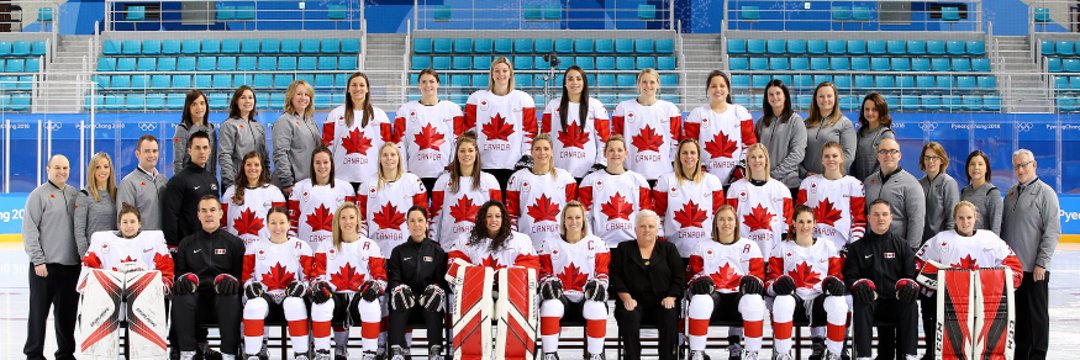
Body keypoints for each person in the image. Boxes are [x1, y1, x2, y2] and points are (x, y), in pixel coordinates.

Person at [915, 201, 1024, 360]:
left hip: (985, 306)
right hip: (950, 306)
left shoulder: (990, 239)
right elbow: (918, 264)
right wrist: (936, 287)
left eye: (969, 218)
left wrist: (997, 288)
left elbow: (1015, 268)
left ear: (975, 218)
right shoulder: (941, 240)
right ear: (954, 219)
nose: (965, 222)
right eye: (961, 218)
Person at [79, 204, 174, 358]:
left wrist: (160, 286)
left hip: (144, 302)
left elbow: (167, 272)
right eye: (125, 222)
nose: (129, 226)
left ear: (140, 223)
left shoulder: (154, 241)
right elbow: (87, 273)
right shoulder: (101, 241)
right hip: (109, 300)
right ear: (119, 224)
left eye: (132, 221)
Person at [240, 206, 324, 360]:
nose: (277, 227)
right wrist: (250, 286)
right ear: (266, 224)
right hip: (265, 297)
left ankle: (301, 353)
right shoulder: (254, 247)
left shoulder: (301, 247)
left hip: (291, 297)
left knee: (294, 304)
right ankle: (252, 354)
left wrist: (303, 287)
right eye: (273, 223)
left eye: (282, 222)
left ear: (289, 224)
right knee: (253, 305)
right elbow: (247, 278)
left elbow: (308, 279)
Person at [685, 205, 766, 360]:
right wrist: (698, 281)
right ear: (715, 223)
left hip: (738, 301)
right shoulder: (702, 246)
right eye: (721, 219)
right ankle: (697, 352)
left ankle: (751, 353)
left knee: (754, 300)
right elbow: (691, 276)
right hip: (713, 300)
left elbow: (759, 276)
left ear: (736, 222)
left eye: (730, 219)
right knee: (699, 299)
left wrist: (754, 281)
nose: (726, 223)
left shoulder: (750, 246)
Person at [767, 205, 848, 360]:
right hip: (795, 300)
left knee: (838, 302)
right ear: (793, 223)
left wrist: (835, 284)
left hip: (819, 299)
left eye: (809, 222)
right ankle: (782, 353)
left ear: (815, 223)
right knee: (782, 301)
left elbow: (837, 276)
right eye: (801, 222)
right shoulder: (781, 248)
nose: (805, 226)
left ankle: (835, 353)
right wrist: (777, 285)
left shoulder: (828, 246)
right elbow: (769, 283)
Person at [842, 199, 919, 360]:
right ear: (869, 218)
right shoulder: (856, 248)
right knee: (862, 301)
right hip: (870, 303)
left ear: (891, 218)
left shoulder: (903, 246)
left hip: (895, 303)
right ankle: (864, 356)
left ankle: (909, 355)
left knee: (911, 303)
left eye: (884, 214)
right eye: (876, 215)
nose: (880, 218)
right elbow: (850, 276)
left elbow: (910, 275)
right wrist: (857, 285)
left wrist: (909, 286)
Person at [171, 195, 245, 360]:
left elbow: (241, 277)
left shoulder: (235, 243)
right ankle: (187, 353)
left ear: (221, 213)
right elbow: (180, 275)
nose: (208, 214)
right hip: (196, 303)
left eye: (212, 210)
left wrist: (233, 282)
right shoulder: (186, 243)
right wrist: (184, 281)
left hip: (224, 303)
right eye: (204, 211)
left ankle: (229, 354)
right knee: (181, 295)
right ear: (198, 215)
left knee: (230, 295)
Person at [1002, 149, 1059, 360]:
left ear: (1034, 165)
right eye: (1016, 166)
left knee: (1036, 318)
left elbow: (1052, 231)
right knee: (1019, 318)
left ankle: (1037, 355)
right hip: (1013, 271)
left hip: (1035, 270)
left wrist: (1042, 263)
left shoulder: (1046, 193)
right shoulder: (1011, 194)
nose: (1020, 170)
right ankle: (1021, 354)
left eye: (1024, 165)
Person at [312, 202, 387, 360]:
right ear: (337, 221)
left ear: (358, 221)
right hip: (334, 297)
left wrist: (376, 287)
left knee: (371, 304)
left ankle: (370, 353)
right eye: (343, 218)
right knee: (320, 303)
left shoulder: (370, 246)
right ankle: (322, 353)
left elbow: (380, 277)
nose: (348, 222)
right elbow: (316, 275)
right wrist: (318, 286)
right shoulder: (325, 245)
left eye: (352, 217)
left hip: (359, 297)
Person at [537, 201, 611, 360]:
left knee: (597, 306)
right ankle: (550, 355)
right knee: (549, 305)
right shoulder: (549, 243)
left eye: (578, 217)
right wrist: (548, 283)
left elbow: (603, 274)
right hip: (562, 300)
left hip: (586, 299)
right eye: (569, 218)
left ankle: (595, 355)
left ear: (584, 220)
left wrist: (598, 286)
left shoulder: (597, 243)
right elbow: (543, 274)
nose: (574, 221)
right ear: (563, 220)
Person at [23, 154, 79, 360]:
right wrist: (38, 260)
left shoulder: (74, 195)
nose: (61, 171)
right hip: (44, 267)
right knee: (38, 314)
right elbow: (30, 230)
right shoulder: (38, 195)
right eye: (57, 167)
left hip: (71, 267)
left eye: (65, 168)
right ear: (48, 169)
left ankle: (65, 353)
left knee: (66, 315)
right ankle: (34, 354)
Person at [610, 210, 683, 360]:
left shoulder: (669, 249)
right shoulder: (623, 249)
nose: (647, 230)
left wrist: (671, 297)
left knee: (669, 315)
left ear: (657, 229)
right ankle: (632, 357)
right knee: (629, 316)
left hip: (662, 302)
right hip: (632, 302)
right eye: (642, 226)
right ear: (635, 229)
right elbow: (615, 277)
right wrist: (626, 298)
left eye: (651, 226)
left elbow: (679, 277)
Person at [463, 57, 537, 189]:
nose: (501, 74)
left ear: (510, 74)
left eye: (504, 70)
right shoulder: (476, 98)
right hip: (484, 165)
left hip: (513, 165)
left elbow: (530, 132)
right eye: (496, 71)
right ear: (491, 74)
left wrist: (526, 155)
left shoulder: (524, 99)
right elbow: (469, 131)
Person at [386, 206, 448, 360]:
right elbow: (394, 279)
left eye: (420, 220)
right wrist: (398, 288)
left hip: (427, 302)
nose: (416, 225)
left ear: (426, 223)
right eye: (412, 221)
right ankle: (396, 351)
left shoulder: (437, 251)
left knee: (433, 302)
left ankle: (435, 352)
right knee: (399, 300)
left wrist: (436, 288)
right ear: (407, 224)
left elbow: (442, 280)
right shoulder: (398, 251)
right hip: (407, 302)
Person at [323, 72, 398, 192]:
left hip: (371, 179)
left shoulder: (380, 116)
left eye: (362, 85)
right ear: (348, 89)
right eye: (354, 85)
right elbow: (327, 149)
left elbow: (387, 149)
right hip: (341, 179)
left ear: (367, 89)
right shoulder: (334, 115)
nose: (358, 88)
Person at [653, 138, 725, 259]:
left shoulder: (712, 181)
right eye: (684, 153)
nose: (689, 156)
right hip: (674, 250)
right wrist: (661, 241)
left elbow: (717, 216)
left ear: (698, 157)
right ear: (678, 156)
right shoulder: (665, 180)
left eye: (692, 153)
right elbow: (658, 216)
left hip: (704, 251)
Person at [684, 70, 757, 186]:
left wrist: (742, 167)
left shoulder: (740, 112)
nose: (718, 89)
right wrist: (699, 168)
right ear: (708, 90)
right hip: (704, 181)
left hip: (736, 182)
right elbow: (687, 146)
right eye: (713, 86)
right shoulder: (697, 114)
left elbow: (750, 145)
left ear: (728, 89)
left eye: (722, 86)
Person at [429, 134, 503, 248]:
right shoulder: (443, 181)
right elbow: (436, 216)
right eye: (462, 151)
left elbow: (498, 215)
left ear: (476, 153)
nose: (466, 154)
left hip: (481, 246)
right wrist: (432, 242)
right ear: (457, 154)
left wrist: (496, 242)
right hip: (449, 246)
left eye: (470, 150)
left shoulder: (490, 181)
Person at [578, 135, 652, 247]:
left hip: (632, 244)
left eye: (620, 150)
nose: (615, 153)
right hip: (602, 245)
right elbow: (585, 216)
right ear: (605, 153)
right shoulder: (590, 181)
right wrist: (592, 241)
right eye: (611, 150)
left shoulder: (639, 180)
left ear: (626, 154)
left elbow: (646, 214)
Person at [397, 68, 464, 192]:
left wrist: (452, 168)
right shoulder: (405, 110)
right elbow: (400, 143)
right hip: (415, 174)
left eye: (431, 81)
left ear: (438, 83)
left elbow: (458, 142)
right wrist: (404, 171)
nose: (428, 85)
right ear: (419, 85)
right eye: (424, 82)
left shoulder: (453, 109)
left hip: (444, 174)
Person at [506, 134, 578, 249]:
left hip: (559, 245)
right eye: (537, 149)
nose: (542, 152)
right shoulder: (517, 178)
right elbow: (511, 215)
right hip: (528, 244)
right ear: (531, 152)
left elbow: (574, 213)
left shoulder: (565, 178)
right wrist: (515, 241)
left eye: (546, 149)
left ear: (552, 152)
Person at [612, 68, 682, 185]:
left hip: (663, 174)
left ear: (658, 84)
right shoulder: (623, 108)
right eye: (644, 82)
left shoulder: (670, 109)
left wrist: (673, 164)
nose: (648, 86)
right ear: (638, 84)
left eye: (652, 82)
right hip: (632, 173)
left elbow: (676, 143)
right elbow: (616, 140)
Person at [540, 65, 611, 181]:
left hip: (589, 174)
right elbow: (545, 139)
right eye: (570, 79)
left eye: (578, 79)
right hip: (559, 173)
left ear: (584, 82)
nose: (574, 82)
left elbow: (604, 140)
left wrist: (600, 164)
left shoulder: (596, 106)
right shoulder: (552, 106)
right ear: (565, 83)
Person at [358, 142, 428, 258]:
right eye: (385, 155)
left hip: (407, 250)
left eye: (393, 154)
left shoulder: (412, 181)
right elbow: (361, 219)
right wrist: (363, 244)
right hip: (377, 250)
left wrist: (421, 243)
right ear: (379, 159)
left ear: (399, 158)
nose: (389, 158)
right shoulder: (367, 184)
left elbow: (423, 215)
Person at [726, 143, 793, 259]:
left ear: (766, 160)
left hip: (773, 252)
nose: (757, 160)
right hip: (744, 254)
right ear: (747, 161)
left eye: (760, 157)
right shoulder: (735, 189)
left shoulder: (781, 189)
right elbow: (730, 220)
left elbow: (788, 224)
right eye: (753, 157)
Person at [797, 141, 867, 251]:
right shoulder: (808, 183)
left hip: (841, 250)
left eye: (835, 156)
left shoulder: (854, 185)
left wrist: (853, 248)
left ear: (842, 158)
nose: (831, 159)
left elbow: (858, 221)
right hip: (811, 248)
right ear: (822, 160)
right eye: (826, 156)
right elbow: (799, 217)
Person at [288, 147, 356, 250]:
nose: (322, 166)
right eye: (317, 162)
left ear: (331, 164)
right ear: (312, 165)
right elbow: (292, 223)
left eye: (325, 162)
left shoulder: (346, 188)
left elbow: (353, 222)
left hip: (336, 250)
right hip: (307, 249)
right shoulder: (299, 188)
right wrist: (293, 247)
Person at [162, 130, 220, 249]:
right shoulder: (178, 180)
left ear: (210, 150)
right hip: (187, 246)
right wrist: (173, 247)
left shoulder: (212, 179)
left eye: (205, 147)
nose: (202, 151)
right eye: (197, 148)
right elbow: (170, 216)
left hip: (210, 244)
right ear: (189, 151)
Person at [864, 138, 925, 250]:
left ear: (899, 156)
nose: (888, 155)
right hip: (871, 247)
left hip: (897, 249)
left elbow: (916, 220)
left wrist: (910, 250)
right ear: (878, 156)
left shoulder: (911, 184)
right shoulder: (868, 182)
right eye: (883, 151)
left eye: (893, 151)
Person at [221, 151, 286, 246]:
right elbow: (222, 223)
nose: (252, 168)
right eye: (248, 165)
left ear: (262, 168)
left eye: (256, 165)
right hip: (236, 248)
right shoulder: (230, 192)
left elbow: (281, 223)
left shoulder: (274, 192)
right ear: (243, 167)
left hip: (265, 248)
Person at [754, 80, 806, 197]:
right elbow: (755, 151)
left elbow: (797, 154)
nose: (775, 97)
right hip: (764, 183)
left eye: (778, 93)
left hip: (788, 184)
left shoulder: (795, 121)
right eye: (771, 94)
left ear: (785, 96)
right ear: (767, 98)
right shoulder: (761, 122)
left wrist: (774, 174)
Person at [272, 80, 322, 196]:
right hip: (292, 185)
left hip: (308, 183)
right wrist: (287, 182)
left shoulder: (310, 122)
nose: (303, 98)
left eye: (307, 94)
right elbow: (280, 153)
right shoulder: (285, 121)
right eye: (299, 94)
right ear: (291, 97)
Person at [802, 82, 855, 177]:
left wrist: (830, 175)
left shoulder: (845, 124)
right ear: (815, 99)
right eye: (821, 96)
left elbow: (848, 155)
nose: (825, 99)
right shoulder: (805, 124)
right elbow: (797, 151)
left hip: (833, 180)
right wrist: (804, 173)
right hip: (808, 180)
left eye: (829, 96)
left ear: (835, 98)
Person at [218, 85, 266, 191]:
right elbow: (225, 156)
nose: (247, 101)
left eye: (250, 97)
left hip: (257, 182)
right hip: (236, 182)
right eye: (243, 97)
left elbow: (264, 157)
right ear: (236, 101)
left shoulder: (259, 126)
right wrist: (231, 184)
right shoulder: (229, 125)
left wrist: (265, 179)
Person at [117, 135, 167, 230]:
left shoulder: (164, 181)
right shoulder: (128, 183)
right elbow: (124, 223)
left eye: (155, 151)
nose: (152, 155)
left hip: (162, 238)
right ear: (137, 154)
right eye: (147, 151)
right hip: (141, 239)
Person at [75, 152, 118, 252]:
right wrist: (85, 257)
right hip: (94, 252)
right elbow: (79, 231)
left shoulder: (117, 194)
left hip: (115, 252)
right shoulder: (84, 195)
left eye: (106, 167)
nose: (102, 170)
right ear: (92, 170)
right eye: (98, 167)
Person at [917, 142, 959, 243]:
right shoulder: (918, 184)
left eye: (935, 157)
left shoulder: (948, 183)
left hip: (941, 243)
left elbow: (952, 219)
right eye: (927, 158)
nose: (930, 161)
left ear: (941, 160)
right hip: (921, 243)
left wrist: (947, 243)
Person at [851, 93, 895, 182]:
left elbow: (887, 163)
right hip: (859, 185)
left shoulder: (886, 134)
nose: (870, 113)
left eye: (874, 109)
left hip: (877, 185)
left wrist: (872, 182)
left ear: (881, 111)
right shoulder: (860, 133)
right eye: (867, 109)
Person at [173, 89, 217, 176]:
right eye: (194, 104)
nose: (199, 107)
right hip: (188, 179)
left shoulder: (211, 129)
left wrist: (212, 179)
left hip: (207, 179)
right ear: (188, 107)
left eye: (202, 103)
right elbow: (178, 162)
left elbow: (213, 160)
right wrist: (181, 182)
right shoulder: (182, 129)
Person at [960, 150, 1002, 235]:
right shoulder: (964, 192)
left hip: (984, 242)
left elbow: (996, 228)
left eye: (980, 164)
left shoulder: (992, 193)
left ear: (986, 169)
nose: (976, 167)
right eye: (972, 164)